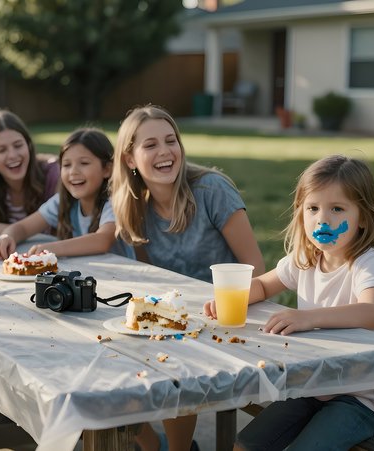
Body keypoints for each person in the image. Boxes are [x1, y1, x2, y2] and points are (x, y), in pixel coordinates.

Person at [204, 154, 374, 451]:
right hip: (311, 386)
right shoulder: (305, 260)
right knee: (245, 445)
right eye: (313, 208)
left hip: (358, 397)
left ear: (364, 218)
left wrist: (308, 317)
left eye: (337, 209)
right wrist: (231, 299)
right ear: (301, 214)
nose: (323, 219)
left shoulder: (370, 262)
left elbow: (373, 311)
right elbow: (262, 285)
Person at [111, 105, 265, 451]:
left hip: (228, 319)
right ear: (130, 158)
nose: (165, 152)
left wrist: (220, 308)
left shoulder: (212, 190)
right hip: (175, 322)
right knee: (106, 363)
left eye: (171, 140)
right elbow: (149, 280)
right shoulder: (134, 205)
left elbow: (255, 266)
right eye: (150, 145)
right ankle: (154, 447)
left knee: (176, 371)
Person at [0, 127, 132, 259]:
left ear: (107, 169)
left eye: (84, 163)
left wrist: (50, 248)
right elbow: (23, 227)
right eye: (67, 165)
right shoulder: (62, 202)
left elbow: (102, 240)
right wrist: (7, 237)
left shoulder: (114, 202)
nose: (73, 172)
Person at [0, 109, 59, 235]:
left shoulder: (52, 172)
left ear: (29, 146)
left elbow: (65, 219)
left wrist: (19, 231)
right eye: (1, 150)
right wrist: (17, 232)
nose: (12, 155)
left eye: (18, 145)